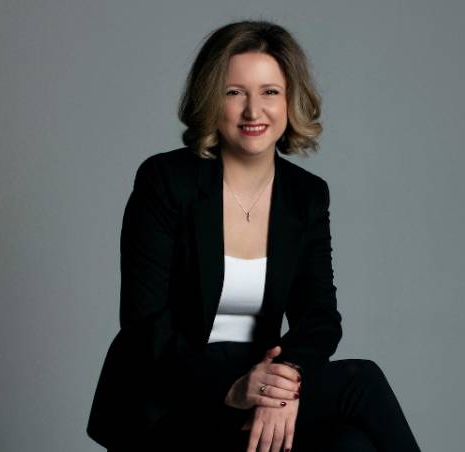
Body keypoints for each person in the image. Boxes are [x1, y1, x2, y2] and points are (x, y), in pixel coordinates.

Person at [87, 20, 421, 451]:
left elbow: (319, 316)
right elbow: (144, 324)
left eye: (269, 92)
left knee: (351, 445)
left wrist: (287, 380)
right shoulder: (166, 181)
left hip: (259, 379)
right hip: (173, 396)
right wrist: (234, 387)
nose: (253, 111)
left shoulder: (305, 196)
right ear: (211, 98)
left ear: (290, 100)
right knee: (363, 381)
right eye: (234, 92)